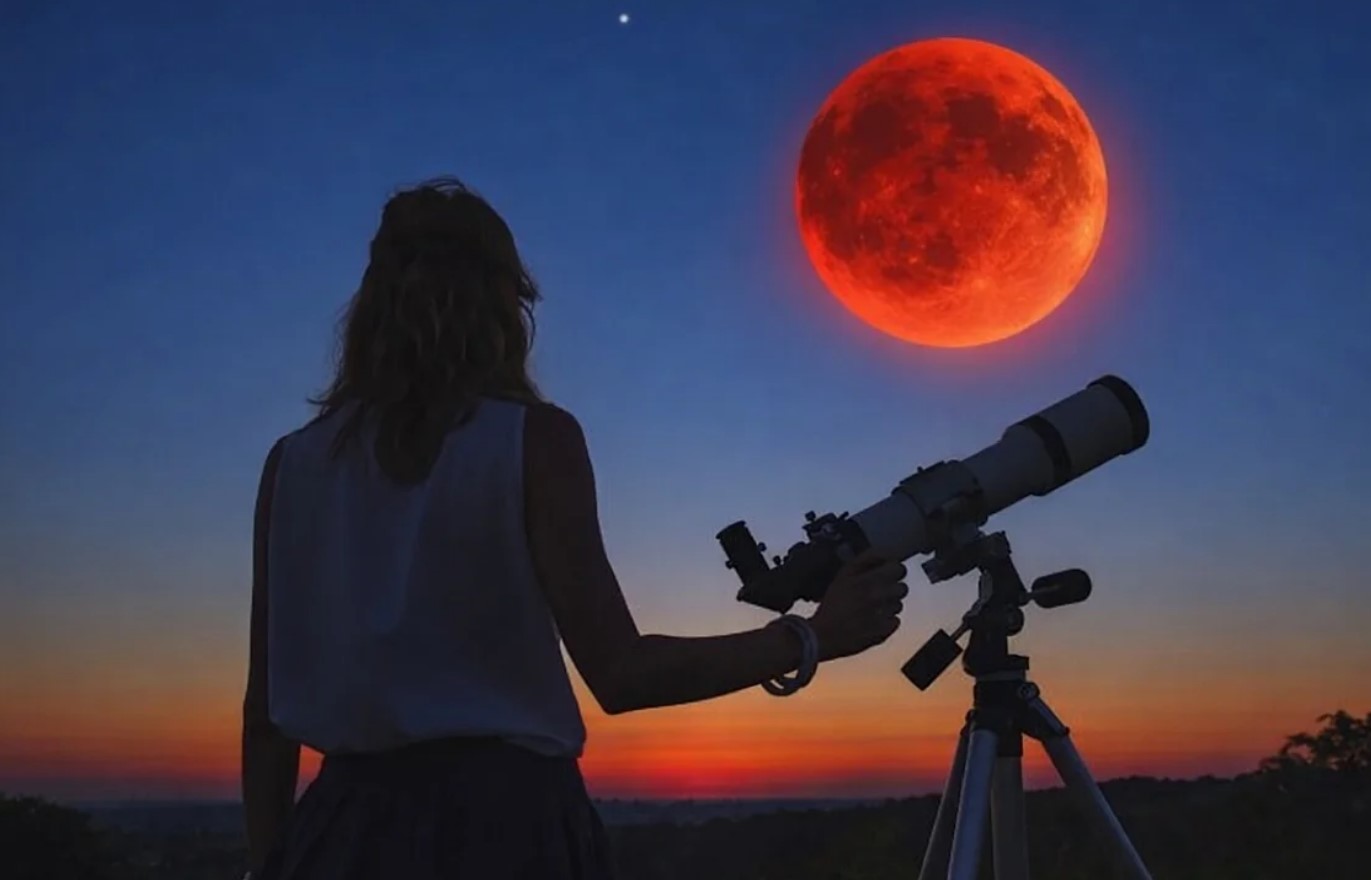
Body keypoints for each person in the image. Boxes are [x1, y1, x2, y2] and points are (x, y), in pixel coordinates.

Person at [241, 177, 909, 879]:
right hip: (504, 833)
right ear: (504, 305)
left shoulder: (293, 464)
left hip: (341, 835)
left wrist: (267, 865)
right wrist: (813, 638)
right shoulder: (533, 441)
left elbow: (267, 713)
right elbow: (620, 674)